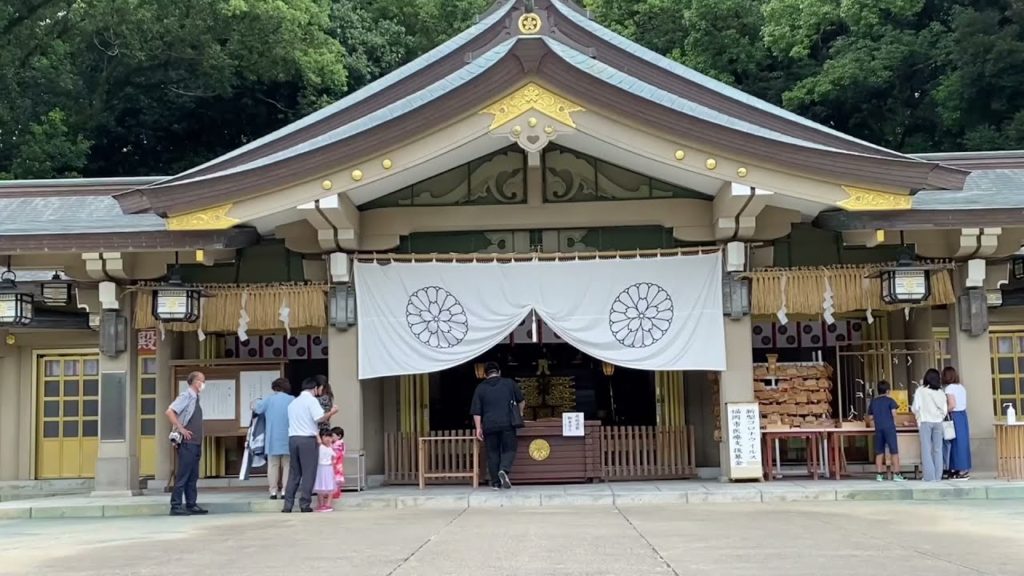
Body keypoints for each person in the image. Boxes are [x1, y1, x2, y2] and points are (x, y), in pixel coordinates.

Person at [282, 377, 338, 513]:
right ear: (315, 388)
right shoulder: (311, 401)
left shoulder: (293, 403)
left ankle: (287, 505)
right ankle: (304, 504)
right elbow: (319, 418)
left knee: (294, 473)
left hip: (293, 439)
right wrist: (332, 412)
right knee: (308, 472)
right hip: (307, 439)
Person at [470, 361, 525, 490]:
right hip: (507, 423)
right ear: (499, 372)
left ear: (485, 374)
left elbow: (476, 411)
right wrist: (520, 413)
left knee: (492, 453)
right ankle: (504, 470)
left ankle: (496, 483)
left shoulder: (480, 388)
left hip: (489, 425)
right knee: (509, 449)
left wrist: (478, 428)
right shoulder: (509, 383)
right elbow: (521, 400)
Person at [166, 371, 209, 516]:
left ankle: (191, 503)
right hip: (187, 442)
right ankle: (176, 505)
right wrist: (181, 428)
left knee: (193, 475)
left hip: (196, 441)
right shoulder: (186, 396)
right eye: (202, 381)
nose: (203, 384)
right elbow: (170, 411)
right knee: (183, 474)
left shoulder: (197, 398)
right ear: (195, 382)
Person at [254, 377, 293, 499]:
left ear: (274, 388)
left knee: (273, 465)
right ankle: (285, 491)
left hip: (272, 437)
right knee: (287, 465)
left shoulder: (268, 399)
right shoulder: (292, 399)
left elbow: (256, 408)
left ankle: (273, 491)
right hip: (288, 436)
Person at [912, 368, 949, 482]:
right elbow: (945, 409)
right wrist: (939, 417)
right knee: (938, 449)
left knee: (926, 449)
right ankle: (938, 476)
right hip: (938, 422)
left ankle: (929, 476)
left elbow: (915, 408)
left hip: (925, 421)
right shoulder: (941, 392)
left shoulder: (920, 391)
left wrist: (919, 416)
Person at [867, 380, 904, 482]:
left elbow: (870, 417)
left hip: (878, 428)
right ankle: (896, 474)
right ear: (888, 391)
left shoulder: (873, 402)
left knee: (879, 452)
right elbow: (894, 414)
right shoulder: (890, 401)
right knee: (894, 451)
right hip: (890, 428)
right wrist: (896, 422)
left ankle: (879, 474)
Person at [943, 366, 972, 480]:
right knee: (962, 442)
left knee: (955, 443)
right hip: (963, 415)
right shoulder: (961, 387)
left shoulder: (949, 388)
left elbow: (952, 405)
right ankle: (963, 468)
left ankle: (956, 468)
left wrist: (943, 412)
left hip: (954, 415)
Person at [313, 430, 337, 512]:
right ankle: (321, 504)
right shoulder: (319, 446)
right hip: (320, 468)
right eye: (325, 436)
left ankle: (328, 505)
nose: (328, 439)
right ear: (321, 438)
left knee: (330, 486)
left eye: (329, 437)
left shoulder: (331, 447)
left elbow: (335, 456)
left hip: (328, 468)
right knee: (320, 486)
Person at [330, 427, 346, 502]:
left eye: (333, 436)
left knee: (336, 478)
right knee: (335, 478)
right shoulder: (339, 444)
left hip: (336, 463)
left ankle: (335, 493)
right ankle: (335, 493)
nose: (331, 437)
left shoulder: (339, 444)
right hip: (337, 463)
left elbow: (337, 454)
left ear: (339, 436)